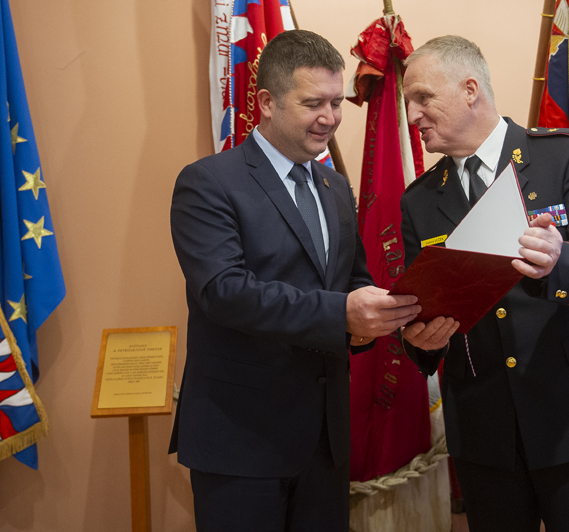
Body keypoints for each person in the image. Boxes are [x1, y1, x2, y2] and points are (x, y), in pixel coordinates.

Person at [168, 29, 420, 532]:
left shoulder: (334, 187)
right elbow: (223, 291)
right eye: (312, 104)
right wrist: (341, 314)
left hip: (325, 443)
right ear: (266, 102)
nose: (330, 117)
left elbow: (352, 280)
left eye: (336, 102)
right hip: (240, 441)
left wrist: (380, 317)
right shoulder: (208, 181)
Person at [399, 35, 569, 532]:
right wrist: (421, 341)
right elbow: (422, 304)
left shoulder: (566, 155)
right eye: (410, 102)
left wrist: (560, 260)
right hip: (486, 433)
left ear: (470, 89)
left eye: (423, 97)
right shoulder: (420, 199)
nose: (413, 115)